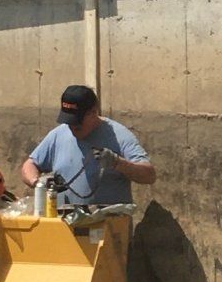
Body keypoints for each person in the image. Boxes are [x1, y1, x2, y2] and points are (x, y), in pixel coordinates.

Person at [20, 84, 155, 208]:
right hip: (64, 227)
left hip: (107, 227)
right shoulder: (58, 135)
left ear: (93, 112)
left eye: (77, 124)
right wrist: (38, 183)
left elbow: (149, 175)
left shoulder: (119, 136)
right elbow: (30, 165)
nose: (72, 127)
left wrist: (118, 163)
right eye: (69, 122)